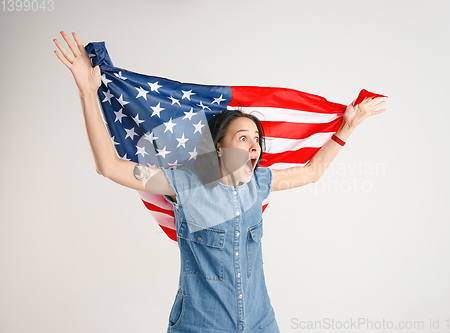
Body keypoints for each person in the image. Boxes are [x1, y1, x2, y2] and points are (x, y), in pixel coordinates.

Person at [53, 31, 386, 332]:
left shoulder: (260, 183)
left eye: (256, 139)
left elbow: (312, 171)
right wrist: (87, 92)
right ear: (217, 147)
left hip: (260, 322)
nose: (254, 145)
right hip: (201, 326)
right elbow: (110, 167)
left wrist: (348, 127)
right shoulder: (185, 184)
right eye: (242, 138)